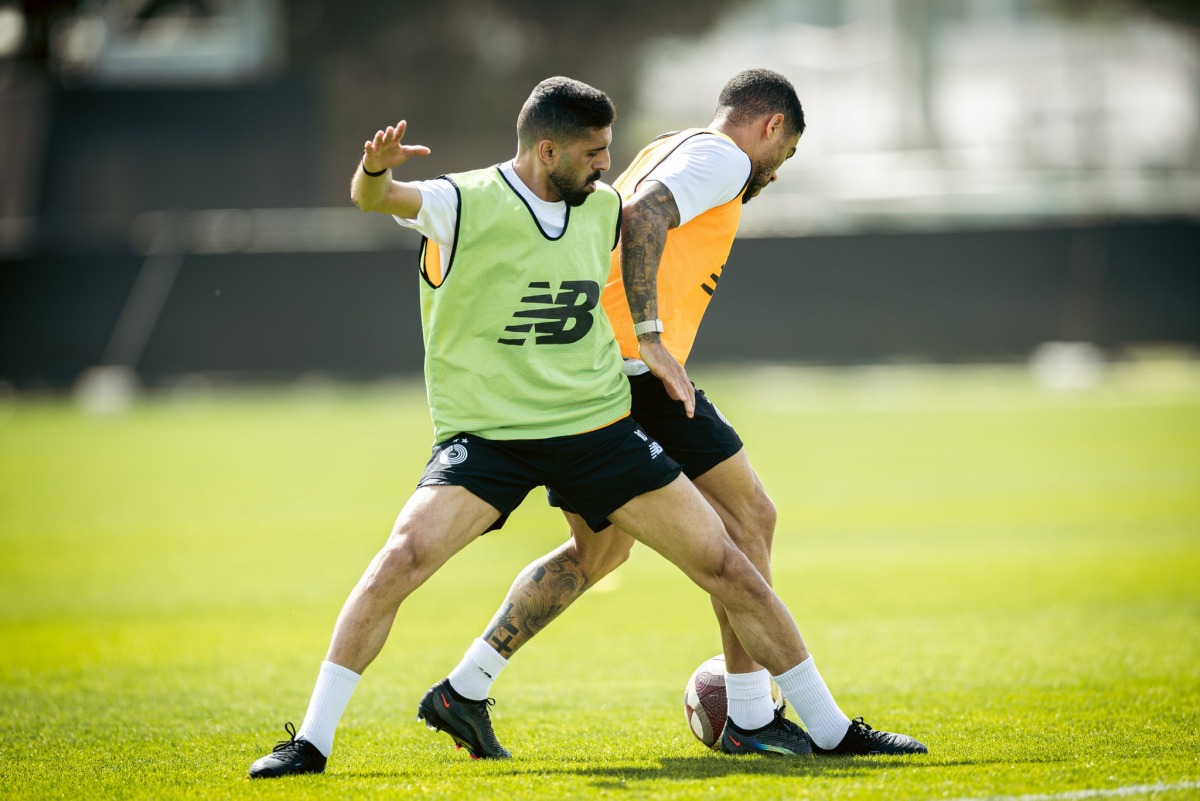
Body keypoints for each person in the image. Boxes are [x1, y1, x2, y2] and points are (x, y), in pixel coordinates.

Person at [248, 75, 918, 780]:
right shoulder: (485, 196)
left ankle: (467, 687)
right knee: (742, 521)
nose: (607, 164)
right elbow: (382, 199)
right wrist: (652, 337)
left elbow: (627, 213)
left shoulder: (605, 199)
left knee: (630, 556)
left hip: (591, 416)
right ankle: (752, 715)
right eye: (595, 151)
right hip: (541, 413)